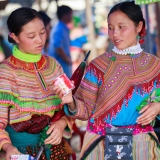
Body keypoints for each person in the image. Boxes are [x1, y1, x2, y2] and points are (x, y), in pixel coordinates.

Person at [53, 1, 160, 160]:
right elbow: (85, 109)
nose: (115, 33)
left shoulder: (154, 65)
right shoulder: (98, 65)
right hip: (101, 146)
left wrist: (158, 106)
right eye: (110, 28)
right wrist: (71, 101)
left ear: (139, 26)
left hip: (142, 146)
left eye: (121, 27)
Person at [0, 7, 74, 160]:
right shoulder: (5, 73)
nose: (40, 40)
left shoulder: (54, 66)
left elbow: (72, 107)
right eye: (31, 36)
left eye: (42, 32)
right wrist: (7, 147)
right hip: (20, 152)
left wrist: (62, 123)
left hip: (56, 150)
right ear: (15, 37)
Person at [48, 5, 73, 78]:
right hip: (60, 66)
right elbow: (57, 45)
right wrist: (67, 59)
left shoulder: (62, 27)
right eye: (70, 15)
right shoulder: (59, 29)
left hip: (62, 66)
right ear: (64, 15)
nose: (71, 17)